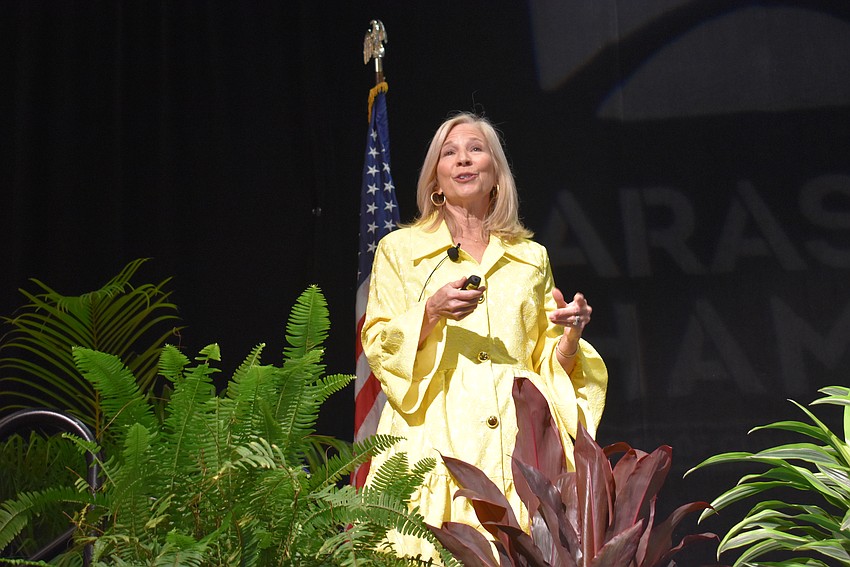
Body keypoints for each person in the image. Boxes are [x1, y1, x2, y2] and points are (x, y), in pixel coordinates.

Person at [361, 112, 607, 559]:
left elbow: (545, 361)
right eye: (449, 153)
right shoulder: (401, 250)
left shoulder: (531, 256)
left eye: (475, 149)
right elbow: (378, 343)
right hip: (436, 437)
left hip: (519, 442)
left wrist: (571, 335)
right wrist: (431, 312)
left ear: (496, 173)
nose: (462, 160)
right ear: (435, 177)